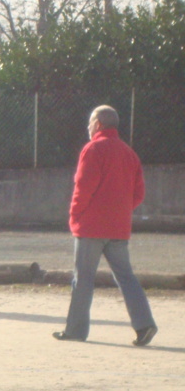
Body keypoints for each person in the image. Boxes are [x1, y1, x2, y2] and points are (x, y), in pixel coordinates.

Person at [53, 105, 158, 346]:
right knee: (126, 277)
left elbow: (83, 188)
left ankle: (76, 330)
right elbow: (139, 193)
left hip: (91, 226)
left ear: (98, 124)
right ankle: (145, 324)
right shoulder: (129, 153)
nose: (88, 127)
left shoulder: (93, 149)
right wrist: (120, 210)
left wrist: (75, 216)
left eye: (90, 123)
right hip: (118, 228)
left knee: (84, 278)